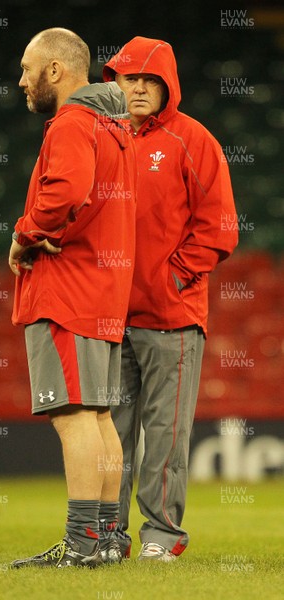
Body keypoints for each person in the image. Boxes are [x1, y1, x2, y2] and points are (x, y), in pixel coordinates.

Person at [103, 36, 238, 561]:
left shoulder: (193, 139)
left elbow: (220, 225)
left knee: (164, 434)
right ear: (115, 83)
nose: (136, 88)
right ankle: (107, 538)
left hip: (171, 317)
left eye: (147, 80)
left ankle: (161, 537)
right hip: (109, 318)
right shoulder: (103, 138)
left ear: (167, 87)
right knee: (110, 437)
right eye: (128, 79)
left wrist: (174, 277)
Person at [8, 28, 136, 569]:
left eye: (26, 67)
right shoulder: (116, 127)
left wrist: (24, 232)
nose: (21, 80)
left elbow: (65, 191)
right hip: (104, 292)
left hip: (68, 290)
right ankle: (105, 538)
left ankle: (82, 543)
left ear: (55, 71)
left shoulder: (72, 123)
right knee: (100, 414)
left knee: (75, 415)